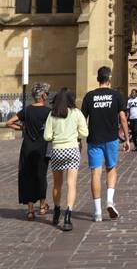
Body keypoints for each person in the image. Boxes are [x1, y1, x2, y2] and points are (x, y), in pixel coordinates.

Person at [81, 66, 129, 222]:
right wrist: (127, 138)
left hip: (94, 139)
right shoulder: (116, 95)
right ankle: (109, 200)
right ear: (109, 78)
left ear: (98, 79)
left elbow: (82, 121)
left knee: (95, 173)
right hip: (111, 139)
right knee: (111, 169)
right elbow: (122, 118)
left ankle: (97, 213)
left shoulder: (89, 96)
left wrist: (79, 140)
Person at [43, 87, 88, 231]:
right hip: (72, 150)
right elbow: (84, 132)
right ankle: (68, 215)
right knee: (71, 184)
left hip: (57, 151)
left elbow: (47, 136)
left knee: (57, 184)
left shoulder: (53, 114)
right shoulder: (76, 113)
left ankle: (56, 210)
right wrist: (76, 136)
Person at [5, 82, 51, 219]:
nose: (47, 96)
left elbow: (8, 123)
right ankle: (42, 206)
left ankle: (30, 210)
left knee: (28, 176)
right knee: (41, 176)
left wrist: (22, 129)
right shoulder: (48, 112)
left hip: (27, 147)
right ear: (43, 95)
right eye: (47, 94)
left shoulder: (27, 110)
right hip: (42, 147)